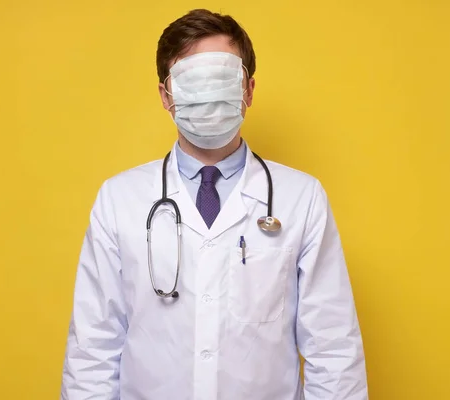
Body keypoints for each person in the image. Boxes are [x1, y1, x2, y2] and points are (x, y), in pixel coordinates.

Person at [61, 9, 368, 400]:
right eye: (193, 84)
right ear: (165, 96)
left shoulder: (302, 198)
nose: (208, 99)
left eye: (221, 83)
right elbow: (93, 346)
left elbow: (333, 346)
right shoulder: (119, 199)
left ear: (248, 91)